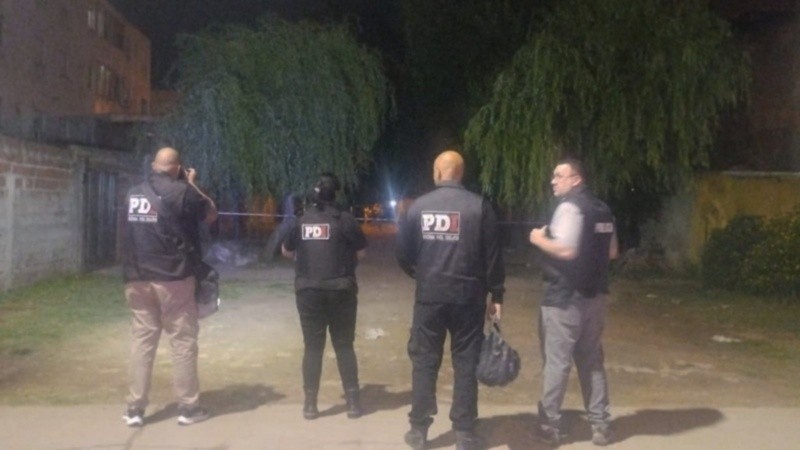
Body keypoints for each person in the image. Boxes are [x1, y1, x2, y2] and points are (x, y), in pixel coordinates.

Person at [396, 150, 505, 450]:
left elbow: (403, 253)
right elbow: (493, 257)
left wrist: (422, 275)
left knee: (424, 361)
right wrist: (496, 294)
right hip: (468, 298)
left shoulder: (418, 207)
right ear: (461, 173)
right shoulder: (479, 207)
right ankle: (465, 433)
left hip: (429, 298)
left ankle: (419, 430)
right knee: (466, 363)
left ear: (437, 171)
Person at [121, 147, 218, 427]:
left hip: (137, 277)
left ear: (154, 165)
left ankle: (135, 408)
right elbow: (210, 214)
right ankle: (188, 407)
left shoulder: (133, 193)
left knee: (142, 342)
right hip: (173, 278)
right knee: (183, 341)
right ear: (178, 168)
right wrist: (192, 183)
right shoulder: (183, 192)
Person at [528, 157, 618, 446]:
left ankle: (549, 426)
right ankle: (601, 424)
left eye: (559, 175)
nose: (553, 181)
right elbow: (612, 252)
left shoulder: (569, 207)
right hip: (595, 297)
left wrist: (538, 239)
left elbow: (566, 250)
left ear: (576, 179)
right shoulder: (603, 210)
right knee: (592, 361)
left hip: (564, 298)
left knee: (557, 363)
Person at [281, 173, 367, 420]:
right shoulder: (345, 219)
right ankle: (353, 403)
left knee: (312, 347)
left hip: (308, 292)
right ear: (336, 193)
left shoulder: (301, 219)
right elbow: (361, 252)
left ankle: (310, 404)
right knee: (344, 345)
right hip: (341, 290)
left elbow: (286, 251)